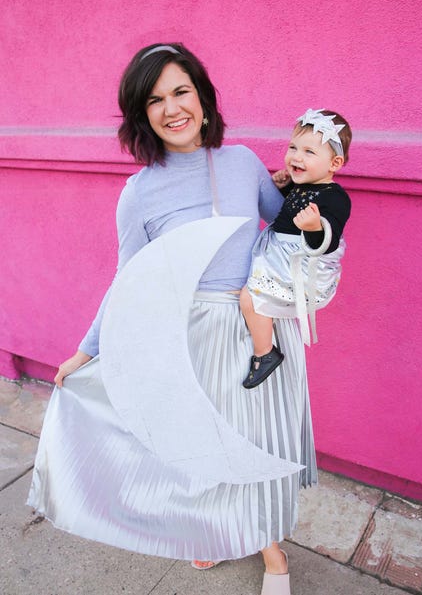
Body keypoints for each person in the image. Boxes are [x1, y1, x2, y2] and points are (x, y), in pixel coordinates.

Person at [27, 43, 318, 595]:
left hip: (253, 328)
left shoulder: (241, 163)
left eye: (181, 91)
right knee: (202, 446)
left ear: (203, 99)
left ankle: (272, 555)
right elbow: (127, 280)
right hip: (189, 338)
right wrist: (86, 352)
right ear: (143, 116)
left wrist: (311, 194)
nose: (172, 108)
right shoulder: (138, 194)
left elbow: (284, 231)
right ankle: (210, 530)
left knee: (251, 444)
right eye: (154, 100)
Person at [240, 109, 352, 389]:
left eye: (308, 152)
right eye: (293, 148)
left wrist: (315, 228)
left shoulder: (336, 198)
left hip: (299, 266)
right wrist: (282, 188)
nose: (296, 157)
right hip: (278, 256)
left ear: (334, 163)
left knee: (249, 299)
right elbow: (286, 213)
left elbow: (327, 244)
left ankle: (265, 353)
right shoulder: (300, 185)